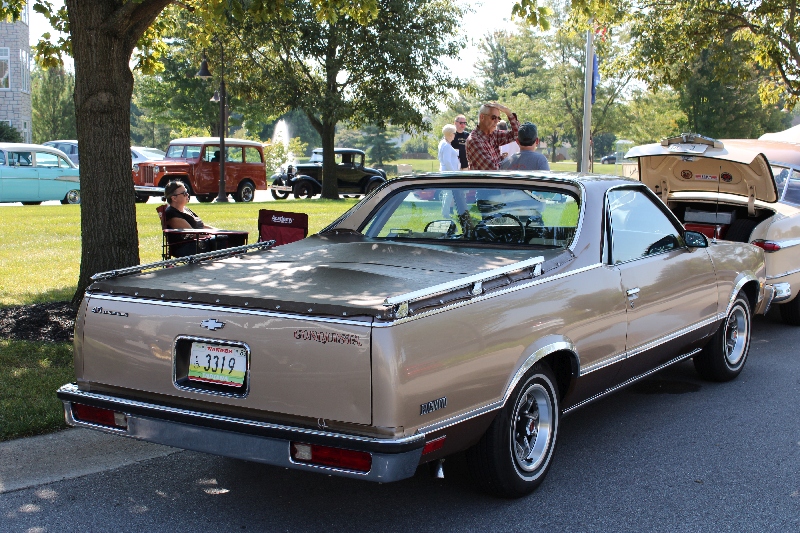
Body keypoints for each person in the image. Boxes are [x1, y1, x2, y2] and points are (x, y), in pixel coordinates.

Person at [162, 181, 228, 257]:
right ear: (174, 198)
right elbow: (193, 233)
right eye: (184, 193)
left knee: (229, 236)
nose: (187, 194)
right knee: (222, 239)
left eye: (187, 192)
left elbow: (202, 226)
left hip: (198, 242)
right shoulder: (172, 214)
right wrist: (213, 235)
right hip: (186, 247)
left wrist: (220, 231)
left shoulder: (185, 209)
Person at [465, 103, 519, 170]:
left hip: (494, 180)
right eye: (493, 117)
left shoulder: (494, 134)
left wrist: (508, 112)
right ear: (482, 117)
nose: (497, 121)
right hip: (484, 180)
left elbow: (517, 134)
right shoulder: (474, 140)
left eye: (498, 118)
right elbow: (492, 169)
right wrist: (505, 160)